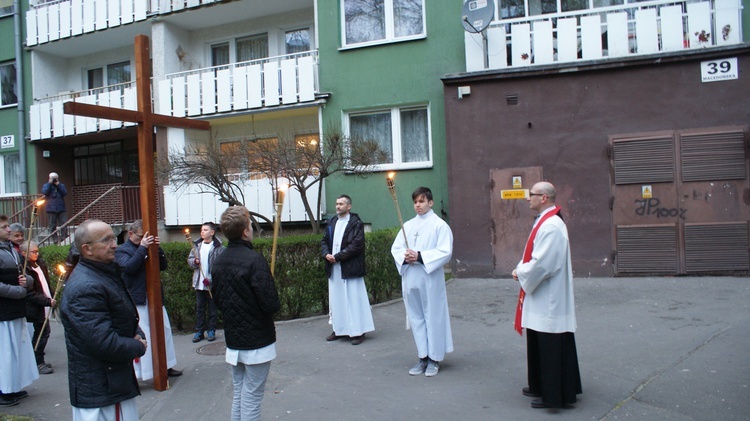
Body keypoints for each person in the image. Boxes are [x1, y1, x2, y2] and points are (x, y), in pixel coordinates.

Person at [60, 220, 147, 420]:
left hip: (113, 383)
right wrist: (138, 346)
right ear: (87, 249)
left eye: (113, 238)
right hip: (102, 391)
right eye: (106, 240)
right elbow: (103, 342)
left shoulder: (104, 273)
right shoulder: (85, 287)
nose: (115, 244)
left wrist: (137, 333)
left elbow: (124, 314)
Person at [511, 181, 582, 409]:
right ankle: (540, 385)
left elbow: (543, 264)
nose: (526, 198)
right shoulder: (544, 220)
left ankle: (553, 395)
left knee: (550, 343)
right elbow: (532, 253)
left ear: (543, 198)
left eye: (530, 194)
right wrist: (521, 267)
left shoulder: (551, 225)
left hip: (549, 296)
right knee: (538, 340)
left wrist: (521, 272)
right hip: (541, 293)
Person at [211, 206, 280, 421]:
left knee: (240, 392)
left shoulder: (218, 260)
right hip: (256, 341)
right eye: (250, 225)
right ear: (245, 232)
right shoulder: (254, 260)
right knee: (251, 395)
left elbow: (219, 301)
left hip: (234, 338)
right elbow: (271, 304)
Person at [391, 187, 454, 377]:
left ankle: (434, 359)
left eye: (422, 201)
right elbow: (396, 248)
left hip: (429, 277)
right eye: (415, 202)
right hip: (411, 276)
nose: (418, 205)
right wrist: (406, 256)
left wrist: (420, 256)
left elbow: (445, 251)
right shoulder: (408, 226)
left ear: (430, 203)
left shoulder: (439, 225)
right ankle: (422, 356)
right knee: (416, 317)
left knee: (432, 316)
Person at [115, 220, 182, 379]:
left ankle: (167, 365)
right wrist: (143, 248)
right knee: (145, 334)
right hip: (138, 299)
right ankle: (146, 371)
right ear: (130, 234)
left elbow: (162, 266)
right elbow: (129, 268)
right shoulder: (122, 250)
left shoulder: (148, 247)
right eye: (140, 236)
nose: (143, 239)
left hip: (155, 297)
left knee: (164, 330)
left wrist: (157, 249)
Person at [321, 195, 374, 345]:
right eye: (337, 203)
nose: (338, 206)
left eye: (341, 204)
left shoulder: (356, 224)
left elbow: (357, 245)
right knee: (337, 299)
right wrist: (326, 254)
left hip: (350, 268)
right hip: (335, 268)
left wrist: (338, 256)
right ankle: (339, 329)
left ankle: (358, 331)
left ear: (349, 206)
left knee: (354, 300)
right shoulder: (332, 222)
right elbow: (324, 240)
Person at [0, 215, 38, 407]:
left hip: (15, 309)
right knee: (5, 351)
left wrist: (27, 282)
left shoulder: (10, 250)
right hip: (3, 311)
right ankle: (3, 390)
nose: (8, 230)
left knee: (17, 349)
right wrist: (17, 291)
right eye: (4, 227)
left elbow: (24, 274)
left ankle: (13, 385)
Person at [20, 241, 55, 375]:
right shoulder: (25, 269)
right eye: (33, 252)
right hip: (36, 307)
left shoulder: (39, 264)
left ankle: (38, 359)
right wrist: (46, 301)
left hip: (44, 303)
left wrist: (50, 295)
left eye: (37, 251)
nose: (37, 254)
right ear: (24, 253)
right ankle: (38, 361)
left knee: (44, 332)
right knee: (42, 333)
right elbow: (30, 293)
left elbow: (44, 282)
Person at [187, 222, 223, 343]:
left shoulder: (218, 248)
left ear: (212, 232)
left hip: (211, 284)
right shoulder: (196, 246)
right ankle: (199, 331)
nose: (202, 232)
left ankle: (211, 329)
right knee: (200, 308)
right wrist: (195, 262)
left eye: (206, 230)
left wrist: (210, 279)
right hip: (199, 283)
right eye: (202, 230)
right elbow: (190, 260)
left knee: (212, 308)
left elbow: (219, 267)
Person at [41, 172, 68, 243]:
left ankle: (64, 238)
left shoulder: (61, 185)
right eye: (53, 178)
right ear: (49, 178)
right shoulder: (46, 185)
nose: (54, 180)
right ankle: (54, 239)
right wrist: (49, 184)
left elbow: (65, 193)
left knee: (64, 224)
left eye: (55, 178)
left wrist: (58, 185)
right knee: (52, 225)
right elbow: (44, 192)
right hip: (51, 208)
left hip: (61, 208)